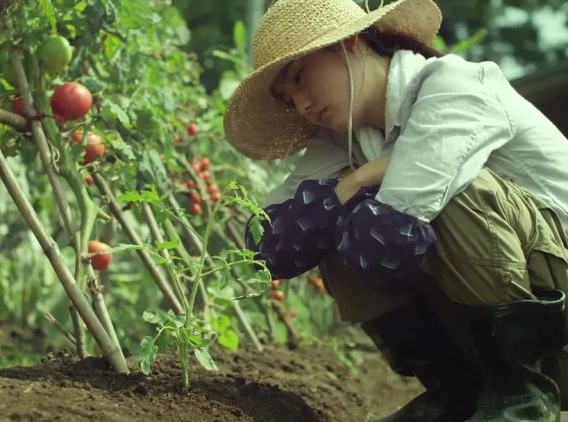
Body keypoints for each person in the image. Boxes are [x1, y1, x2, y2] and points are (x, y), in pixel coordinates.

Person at [223, 0, 568, 420]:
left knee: (455, 193)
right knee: (330, 220)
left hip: (555, 309)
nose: (300, 104)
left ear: (347, 43)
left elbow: (390, 235)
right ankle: (458, 392)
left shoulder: (454, 87)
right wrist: (356, 180)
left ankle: (523, 397)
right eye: (287, 96)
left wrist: (354, 191)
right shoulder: (345, 141)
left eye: (299, 78)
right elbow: (267, 244)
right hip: (507, 320)